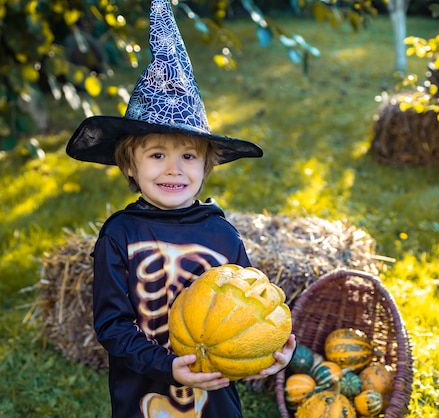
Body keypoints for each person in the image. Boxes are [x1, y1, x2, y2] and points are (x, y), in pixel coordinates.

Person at [65, 0, 296, 416]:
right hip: (143, 399)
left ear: (207, 166)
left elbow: (253, 307)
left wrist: (270, 350)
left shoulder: (223, 234)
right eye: (156, 155)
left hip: (216, 404)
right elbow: (113, 327)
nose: (174, 169)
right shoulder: (119, 234)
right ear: (129, 165)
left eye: (189, 156)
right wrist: (168, 365)